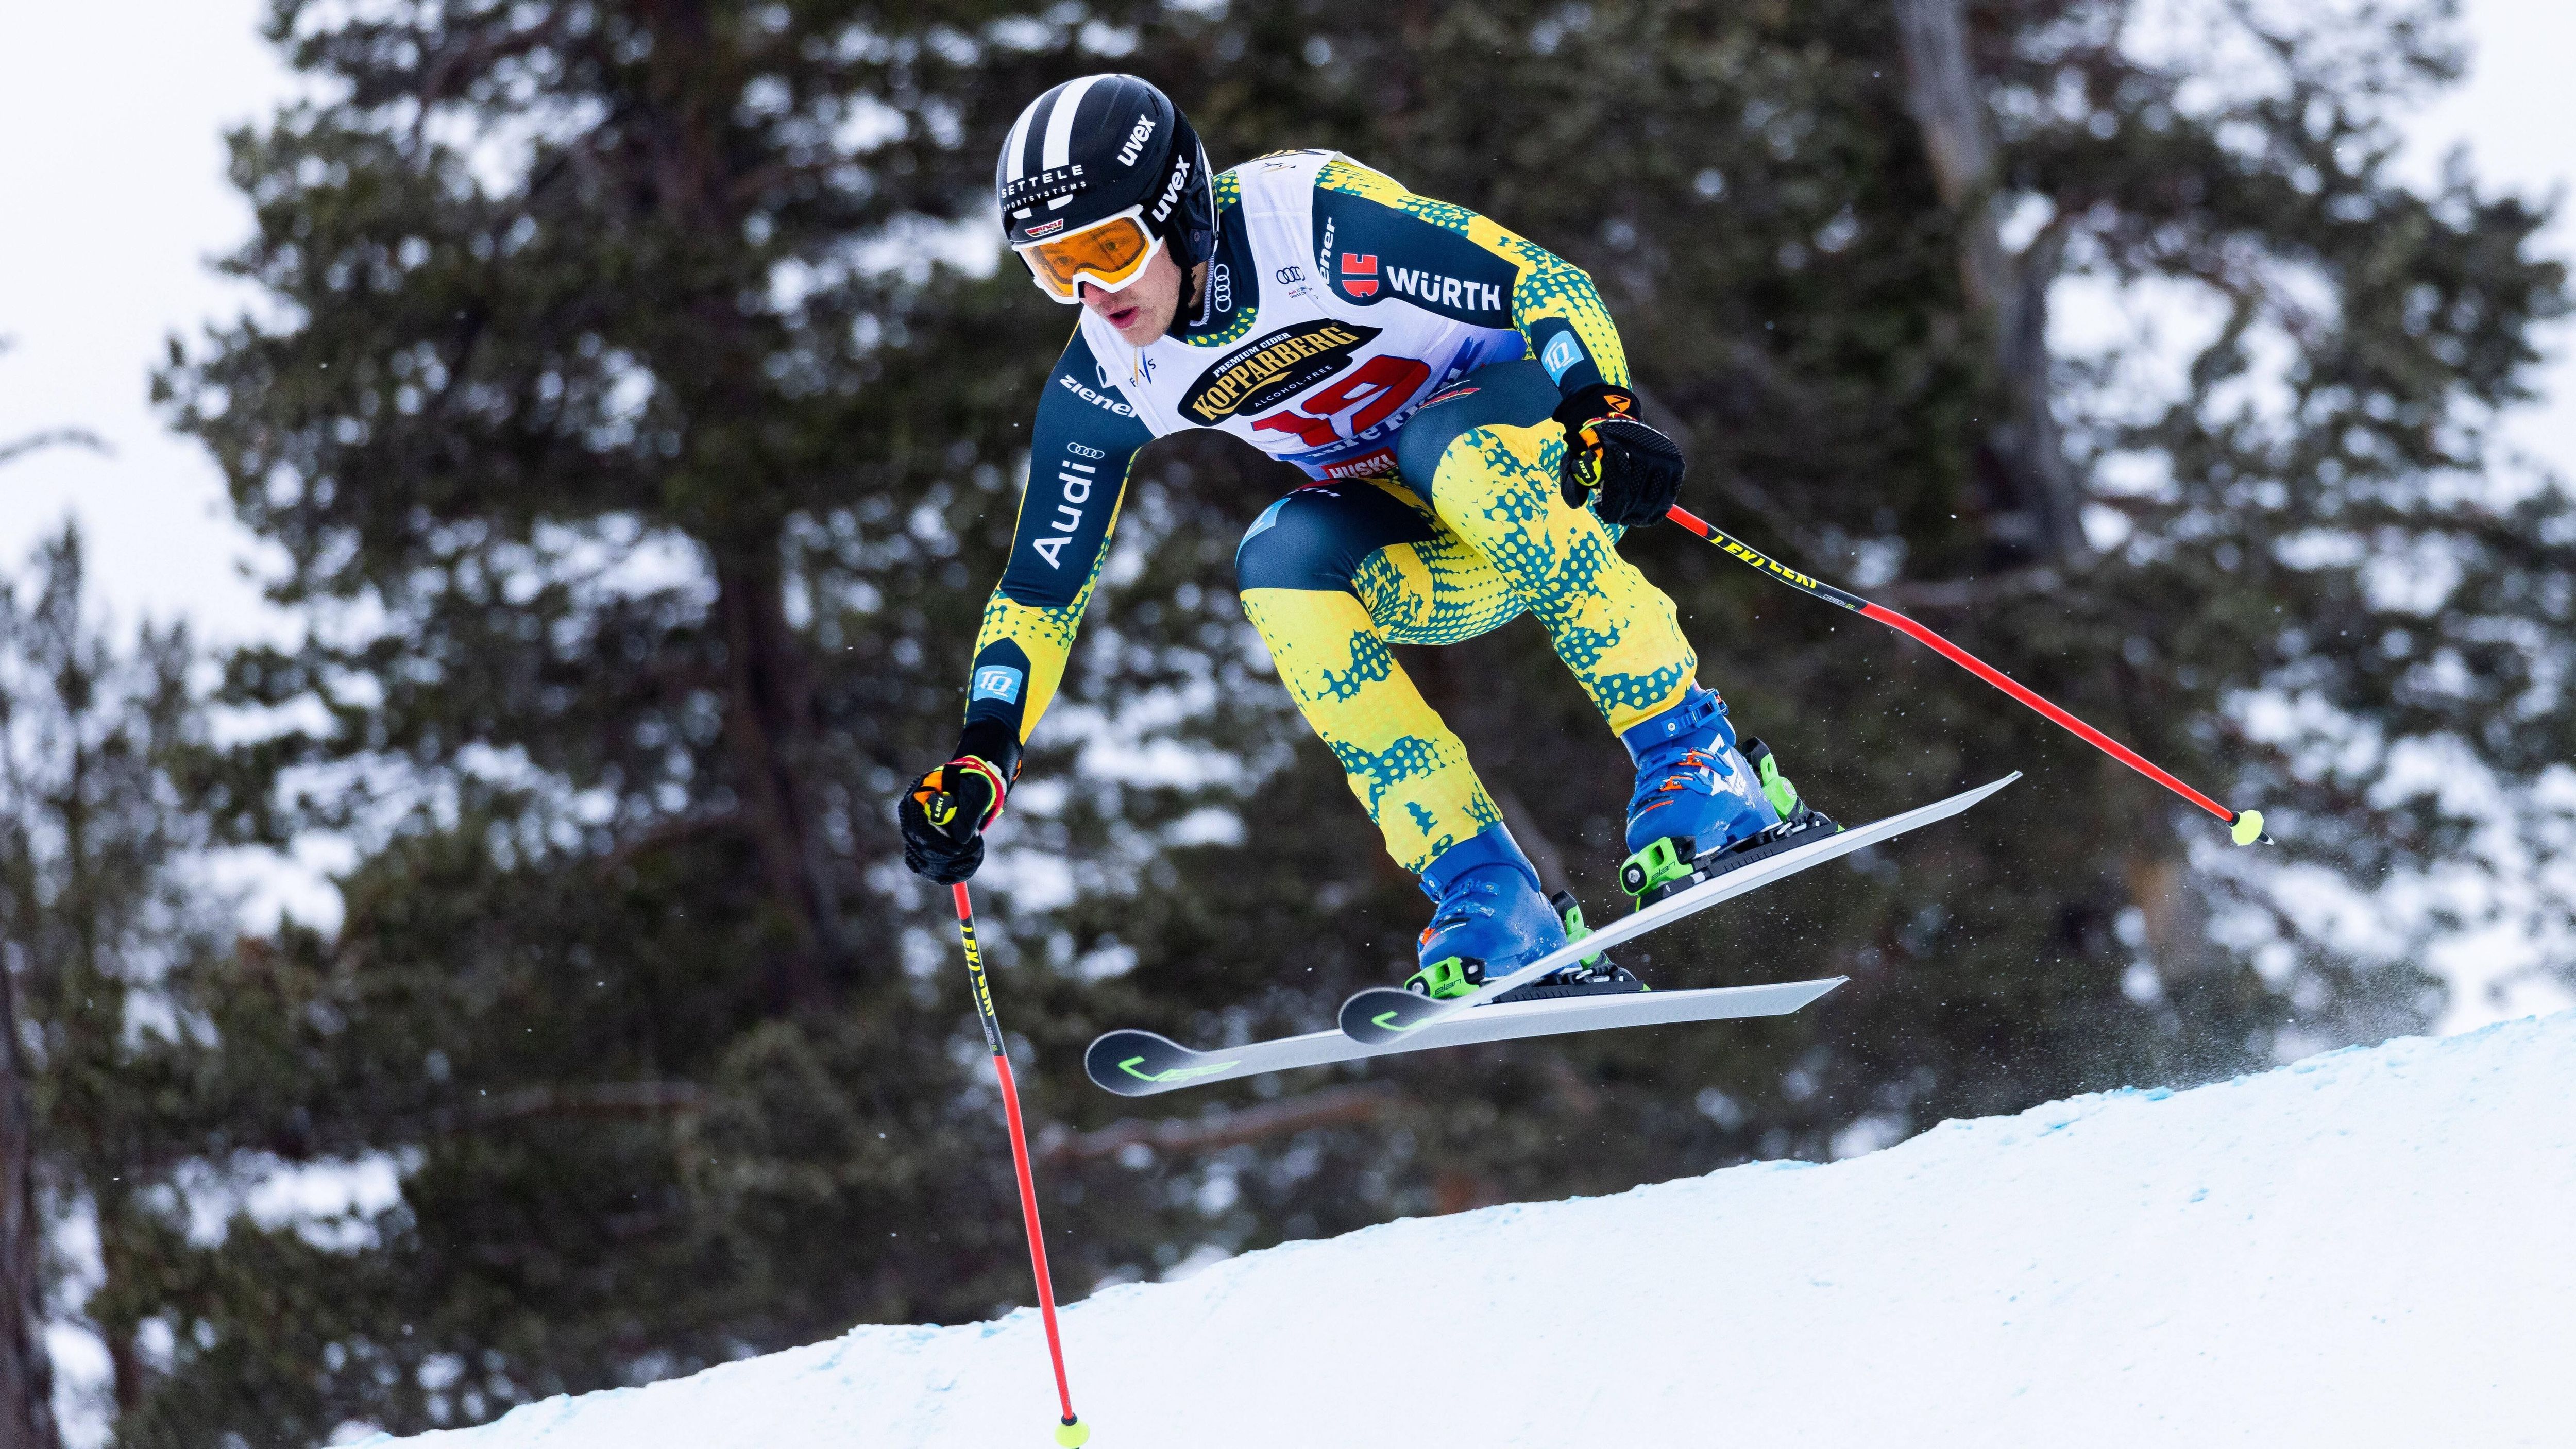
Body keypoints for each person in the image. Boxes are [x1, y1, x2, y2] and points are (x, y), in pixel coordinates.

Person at [901, 74, 1831, 1001]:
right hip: (1434, 550)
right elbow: (1041, 589)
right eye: (1053, 268)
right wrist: (985, 752)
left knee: (1444, 444)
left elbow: (1543, 282)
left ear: (1179, 213)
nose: (1092, 294)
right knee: (1275, 562)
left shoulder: (1308, 227)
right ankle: (1489, 893)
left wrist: (1601, 407)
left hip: (1533, 469)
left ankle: (1698, 756)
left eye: (1107, 249)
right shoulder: (1107, 373)